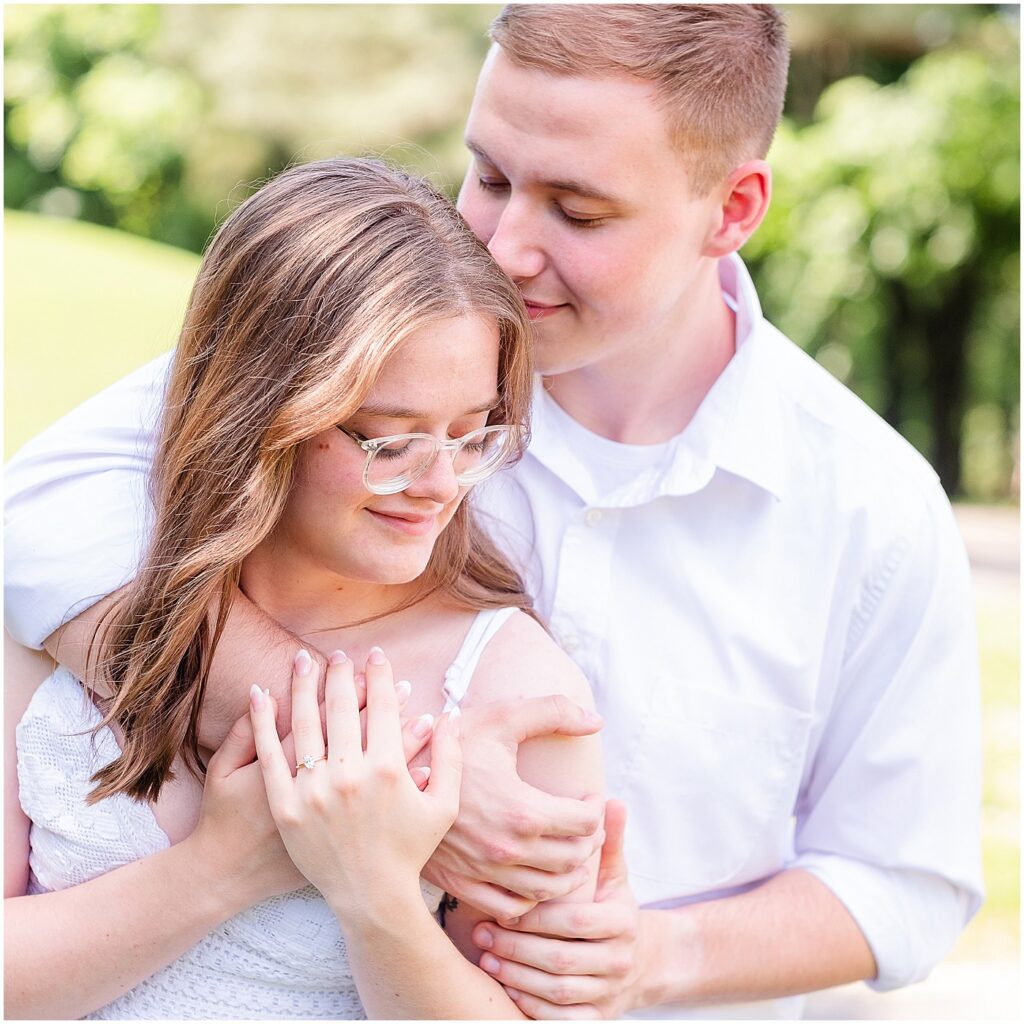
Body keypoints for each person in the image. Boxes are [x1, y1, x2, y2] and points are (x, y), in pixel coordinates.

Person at [4, 4, 983, 1019]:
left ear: (732, 208)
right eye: (492, 175)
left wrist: (652, 955)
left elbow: (904, 883)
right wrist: (381, 767)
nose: (506, 245)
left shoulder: (870, 508)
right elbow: (47, 505)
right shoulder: (388, 354)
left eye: (579, 212)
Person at [4, 157, 604, 1019]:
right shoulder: (68, 609)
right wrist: (219, 870)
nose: (440, 485)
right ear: (259, 415)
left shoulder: (512, 697)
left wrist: (375, 891)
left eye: (472, 436)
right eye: (389, 442)